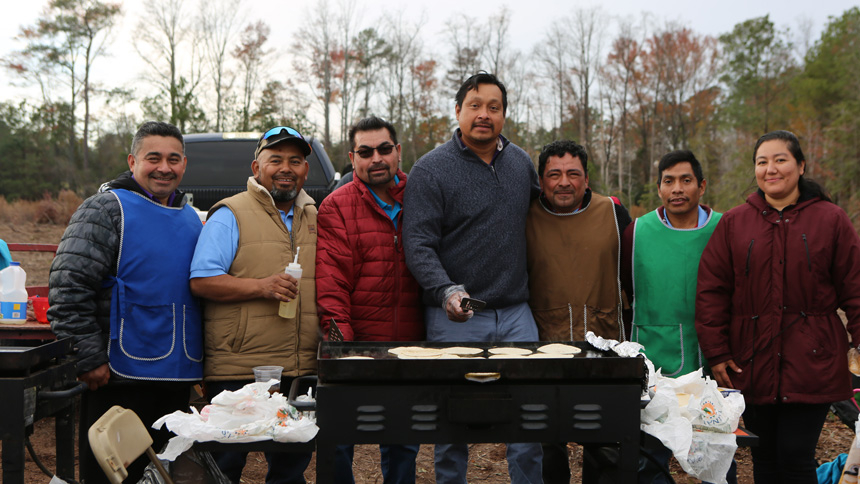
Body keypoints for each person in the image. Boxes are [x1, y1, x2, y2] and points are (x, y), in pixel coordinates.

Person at [696, 130, 860, 483]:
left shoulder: (831, 219)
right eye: (762, 162)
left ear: (800, 166)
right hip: (750, 358)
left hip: (812, 357)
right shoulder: (736, 222)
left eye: (780, 159)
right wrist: (717, 351)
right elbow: (712, 290)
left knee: (796, 456)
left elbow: (856, 289)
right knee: (765, 458)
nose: (771, 168)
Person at [403, 72, 543, 484]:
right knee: (452, 422)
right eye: (475, 106)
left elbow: (545, 216)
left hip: (517, 312)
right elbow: (418, 244)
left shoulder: (520, 164)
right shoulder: (430, 170)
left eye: (494, 107)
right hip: (455, 315)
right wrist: (445, 289)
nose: (484, 115)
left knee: (528, 419)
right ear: (458, 111)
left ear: (504, 114)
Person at [48, 121, 203, 484]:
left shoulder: (191, 219)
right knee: (112, 475)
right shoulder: (104, 209)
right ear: (133, 161)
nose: (164, 167)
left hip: (176, 378)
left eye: (174, 159)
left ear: (184, 165)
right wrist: (89, 357)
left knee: (166, 474)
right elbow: (68, 286)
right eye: (154, 158)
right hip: (116, 377)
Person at [190, 126, 319, 484]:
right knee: (225, 467)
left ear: (306, 171)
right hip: (240, 369)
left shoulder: (315, 217)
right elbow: (201, 281)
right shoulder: (230, 214)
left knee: (291, 468)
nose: (286, 168)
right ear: (256, 167)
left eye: (295, 160)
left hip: (298, 368)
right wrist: (261, 287)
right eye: (275, 159)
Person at [316, 116, 424, 483]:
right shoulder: (336, 206)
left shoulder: (422, 196)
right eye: (365, 152)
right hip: (357, 344)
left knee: (404, 443)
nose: (375, 158)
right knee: (341, 438)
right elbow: (332, 283)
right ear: (353, 157)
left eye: (384, 149)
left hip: (411, 345)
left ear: (398, 151)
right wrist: (340, 348)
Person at [620, 150, 735, 484]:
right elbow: (628, 290)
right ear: (659, 188)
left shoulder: (724, 227)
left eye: (686, 180)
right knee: (651, 458)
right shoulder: (637, 232)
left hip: (712, 360)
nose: (677, 189)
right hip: (654, 360)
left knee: (718, 454)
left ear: (701, 186)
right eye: (669, 181)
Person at [524, 139, 631, 483]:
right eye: (554, 174)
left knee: (603, 445)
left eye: (573, 173)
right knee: (547, 446)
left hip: (605, 348)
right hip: (543, 349)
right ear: (542, 180)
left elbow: (632, 277)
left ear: (587, 179)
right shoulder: (526, 217)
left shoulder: (613, 214)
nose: (564, 182)